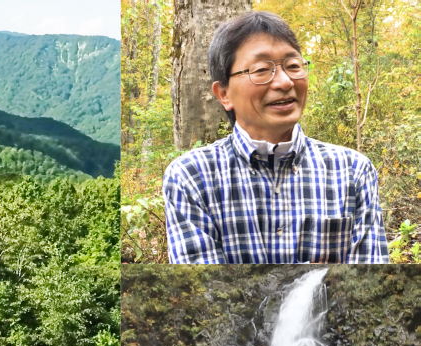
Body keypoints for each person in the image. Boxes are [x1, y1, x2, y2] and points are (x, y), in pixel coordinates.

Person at [163, 11, 389, 264]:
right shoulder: (192, 177)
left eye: (293, 66)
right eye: (261, 69)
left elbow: (368, 292)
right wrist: (316, 280)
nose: (284, 81)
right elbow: (203, 297)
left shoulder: (353, 171)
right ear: (224, 94)